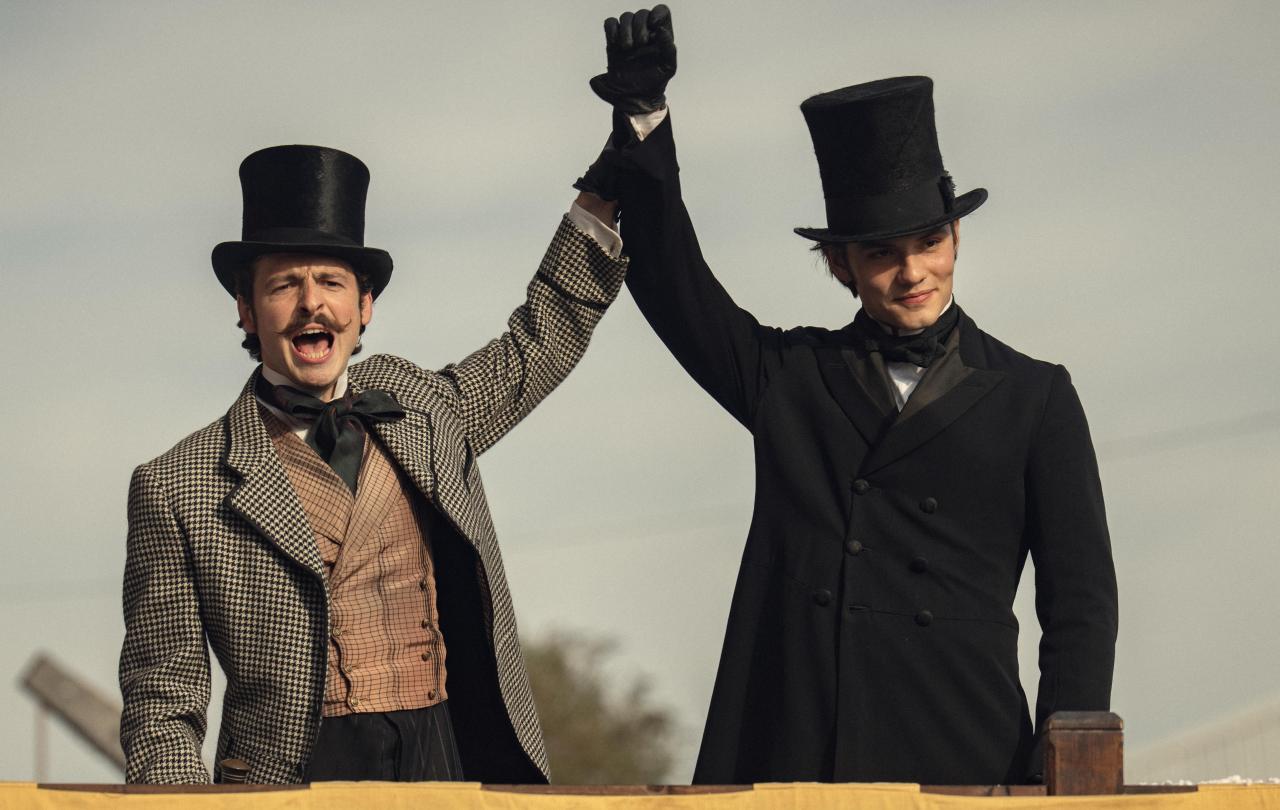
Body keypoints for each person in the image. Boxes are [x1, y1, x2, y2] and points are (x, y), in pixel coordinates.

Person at [576, 7, 1118, 785]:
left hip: (970, 757)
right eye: (881, 254)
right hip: (799, 756)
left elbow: (1080, 610)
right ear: (841, 267)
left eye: (929, 242)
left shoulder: (1037, 398)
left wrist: (1066, 768)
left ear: (956, 239)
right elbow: (671, 282)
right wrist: (643, 119)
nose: (913, 272)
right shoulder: (790, 377)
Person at [119, 144, 627, 783]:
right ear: (248, 310)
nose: (311, 304)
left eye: (331, 282)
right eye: (284, 285)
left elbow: (538, 343)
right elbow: (162, 701)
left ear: (364, 308)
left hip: (448, 755)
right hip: (291, 784)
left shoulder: (422, 406)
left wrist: (606, 190)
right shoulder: (176, 485)